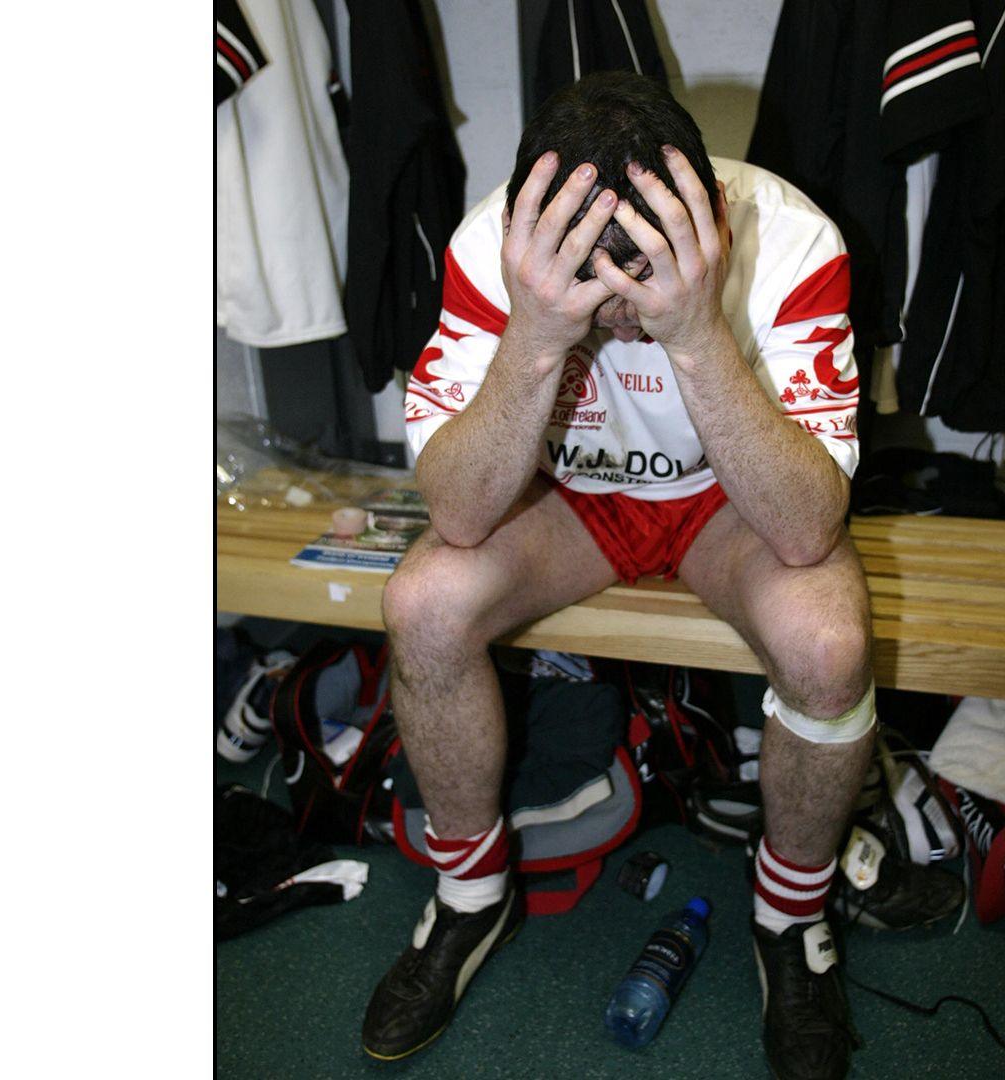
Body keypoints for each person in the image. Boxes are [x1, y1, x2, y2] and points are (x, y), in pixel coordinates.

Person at [364, 71, 874, 1080]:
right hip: (570, 508)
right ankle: (469, 895)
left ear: (707, 217)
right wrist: (539, 334)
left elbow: (808, 529)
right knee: (422, 602)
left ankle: (791, 912)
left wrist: (694, 333)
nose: (619, 315)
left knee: (828, 643)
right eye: (589, 287)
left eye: (640, 278)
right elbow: (460, 514)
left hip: (731, 509)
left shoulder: (793, 237)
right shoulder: (492, 245)